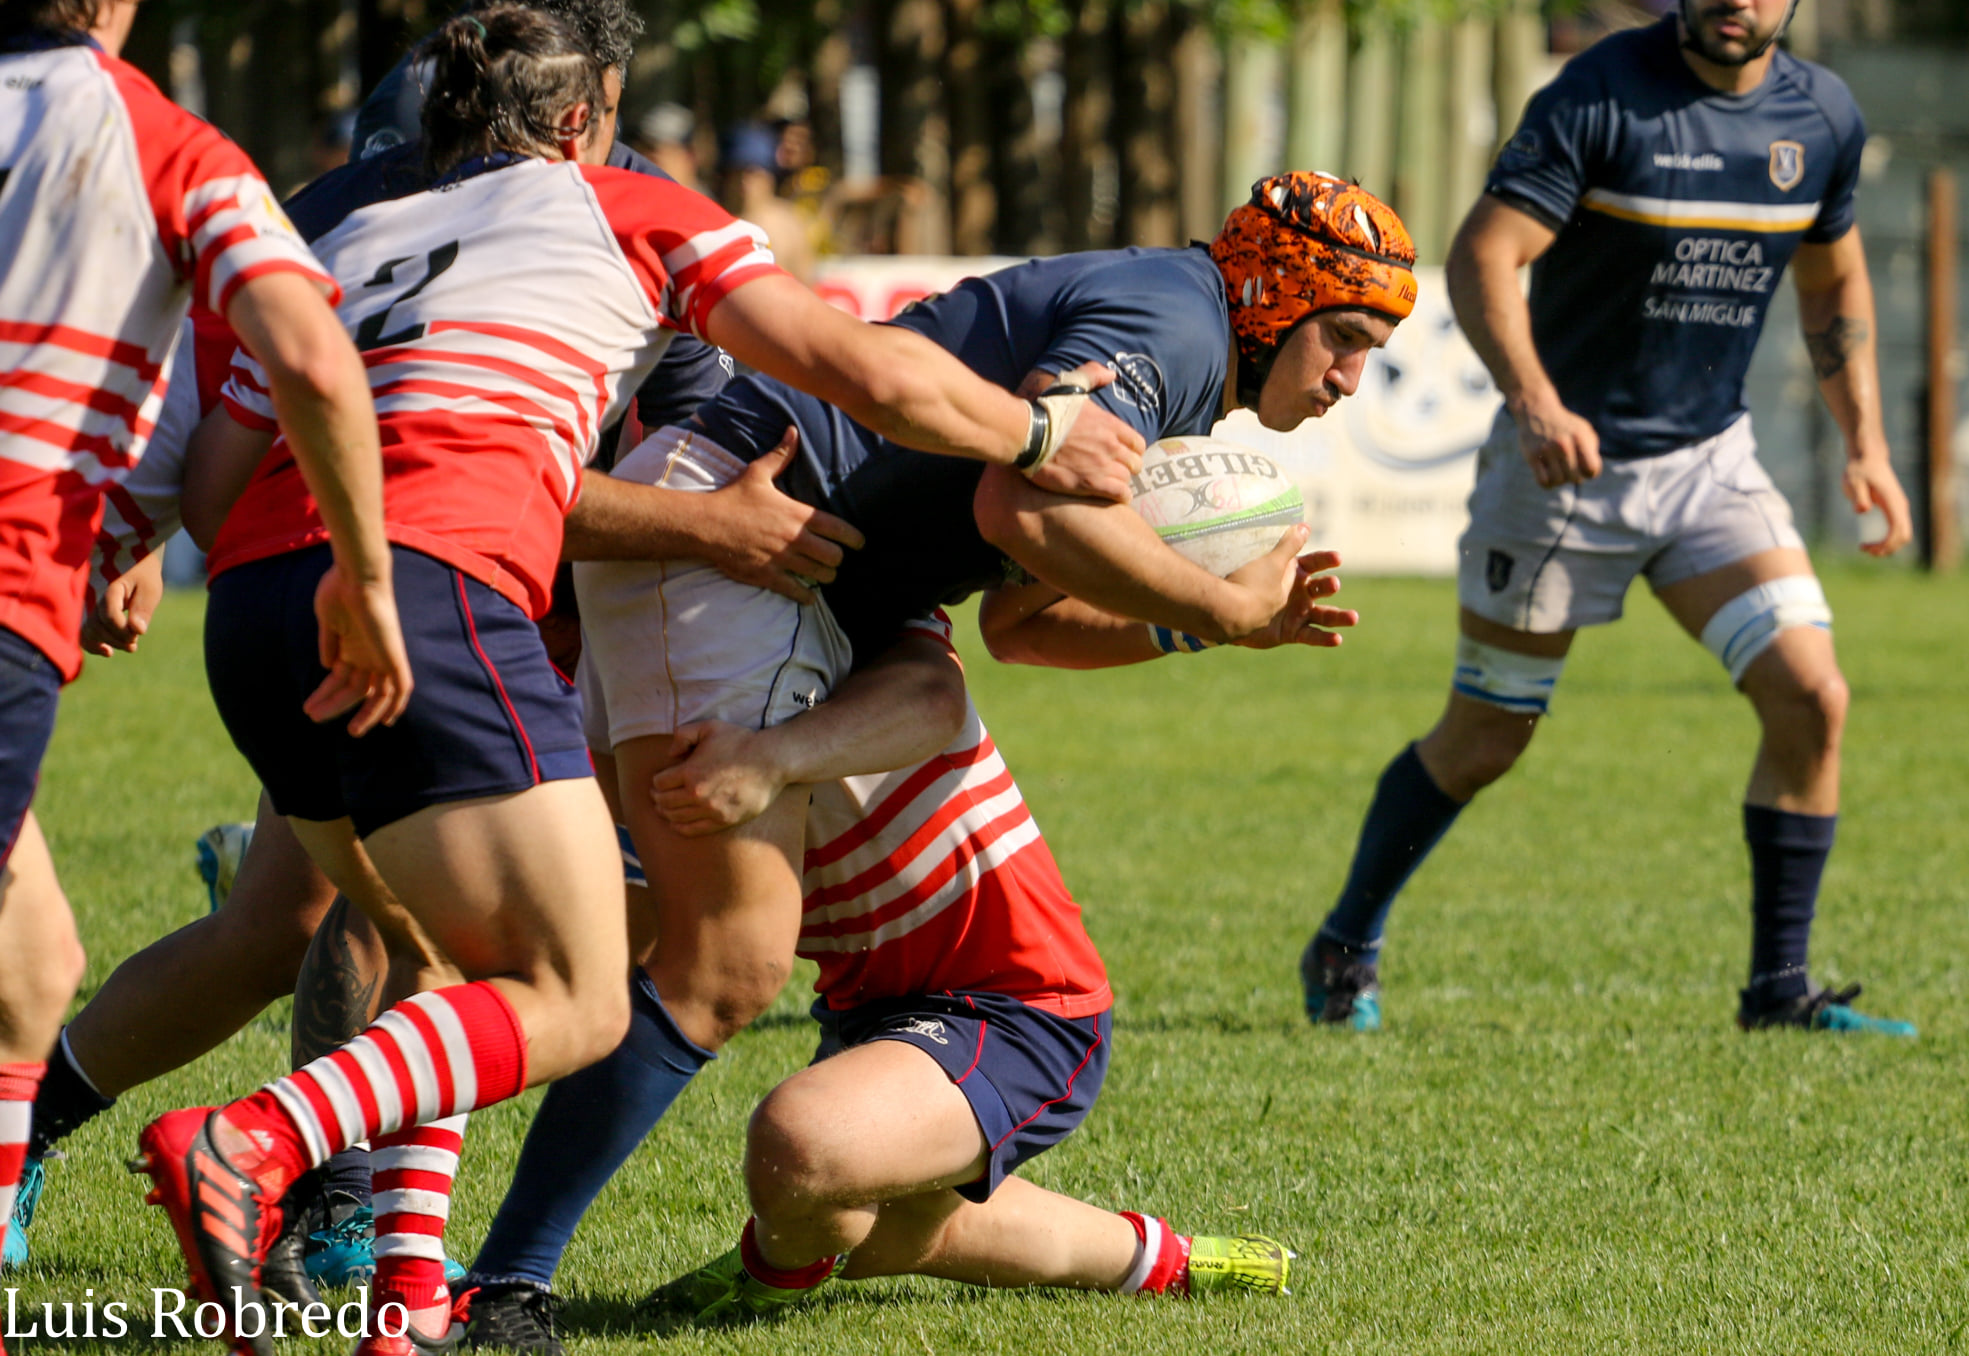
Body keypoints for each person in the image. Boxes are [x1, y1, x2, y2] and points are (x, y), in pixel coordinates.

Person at [129, 11, 1146, 1356]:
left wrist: (162, 545)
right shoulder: (627, 210)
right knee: (576, 986)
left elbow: (215, 480)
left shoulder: (340, 229)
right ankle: (266, 1146)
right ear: (580, 117)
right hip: (448, 592)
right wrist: (1035, 428)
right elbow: (860, 369)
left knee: (433, 941)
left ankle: (397, 1299)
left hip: (268, 604)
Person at [453, 169, 1411, 1349]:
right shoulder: (1178, 326)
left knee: (614, 943)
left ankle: (380, 1199)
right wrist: (1219, 604)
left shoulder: (1169, 324)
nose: (1348, 377)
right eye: (1343, 337)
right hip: (751, 542)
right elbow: (1023, 508)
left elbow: (1019, 624)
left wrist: (1202, 627)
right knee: (723, 964)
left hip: (774, 566)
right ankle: (495, 1280)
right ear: (1270, 296)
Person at [3, 0, 857, 1295]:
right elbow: (423, 444)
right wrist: (708, 526)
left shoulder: (586, 200)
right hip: (406, 592)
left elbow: (637, 447)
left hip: (438, 595)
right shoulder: (387, 200)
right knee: (363, 927)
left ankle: (379, 1262)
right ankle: (306, 1197)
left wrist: (146, 524)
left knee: (368, 927)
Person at [1298, 0, 1918, 1036]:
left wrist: (1866, 444)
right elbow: (1484, 254)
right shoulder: (1603, 93)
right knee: (1485, 739)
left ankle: (1778, 991)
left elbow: (1833, 276)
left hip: (1708, 465)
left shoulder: (1822, 117)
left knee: (1813, 696)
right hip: (1561, 470)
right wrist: (1534, 402)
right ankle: (1344, 943)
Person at [0, 0, 410, 1317]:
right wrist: (363, 574)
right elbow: (296, 367)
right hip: (338, 593)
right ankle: (339, 1209)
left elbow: (210, 398)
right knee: (414, 912)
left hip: (102, 577)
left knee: (59, 963)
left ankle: (30, 1147)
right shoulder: (171, 149)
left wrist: (131, 527)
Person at [637, 611, 1297, 1327]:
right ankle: (1170, 1262)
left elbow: (948, 683)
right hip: (868, 1016)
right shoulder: (644, 683)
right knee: (888, 1222)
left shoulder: (851, 606)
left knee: (802, 1149)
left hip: (1017, 1006)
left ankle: (772, 1273)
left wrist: (1213, 613)